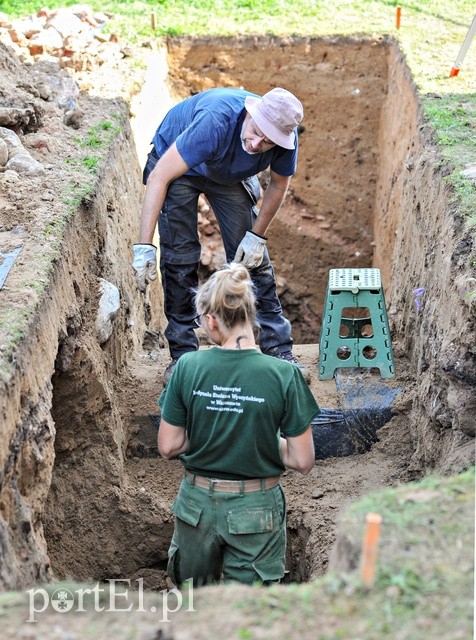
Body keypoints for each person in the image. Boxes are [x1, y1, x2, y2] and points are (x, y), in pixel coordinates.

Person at [131, 86, 309, 384]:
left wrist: (257, 236)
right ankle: (183, 356)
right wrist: (144, 245)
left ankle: (279, 349)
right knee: (180, 255)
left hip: (226, 172)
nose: (256, 144)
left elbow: (278, 185)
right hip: (177, 167)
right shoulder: (216, 121)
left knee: (253, 258)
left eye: (267, 142)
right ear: (249, 115)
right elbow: (160, 176)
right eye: (254, 132)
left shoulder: (284, 139)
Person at [157, 262, 320, 587]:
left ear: (213, 319)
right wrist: (255, 440)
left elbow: (169, 445)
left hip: (196, 507)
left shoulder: (187, 366)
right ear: (249, 314)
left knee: (193, 605)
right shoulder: (284, 375)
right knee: (249, 613)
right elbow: (302, 460)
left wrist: (208, 435)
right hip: (256, 509)